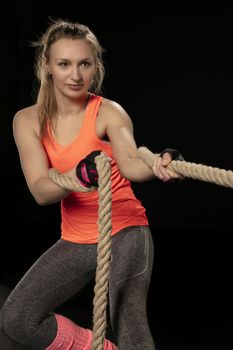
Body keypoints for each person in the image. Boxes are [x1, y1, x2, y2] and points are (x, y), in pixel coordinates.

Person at [0, 18, 183, 350]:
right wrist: (79, 180)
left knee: (129, 322)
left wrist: (160, 164)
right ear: (47, 66)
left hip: (125, 229)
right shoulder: (26, 120)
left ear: (95, 64)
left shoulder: (109, 112)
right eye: (64, 64)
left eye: (84, 63)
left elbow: (129, 163)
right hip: (77, 239)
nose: (75, 75)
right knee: (16, 318)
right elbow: (41, 190)